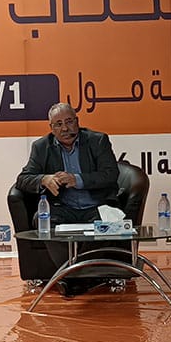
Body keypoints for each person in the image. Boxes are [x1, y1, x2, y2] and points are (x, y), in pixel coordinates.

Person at [16, 102, 122, 296]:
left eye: (69, 121)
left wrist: (77, 180)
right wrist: (44, 179)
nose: (65, 128)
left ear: (77, 122)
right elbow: (22, 179)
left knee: (110, 224)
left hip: (96, 206)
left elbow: (110, 174)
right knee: (43, 220)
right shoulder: (41, 147)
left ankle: (72, 278)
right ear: (51, 128)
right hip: (62, 207)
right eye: (58, 124)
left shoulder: (98, 141)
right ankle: (78, 277)